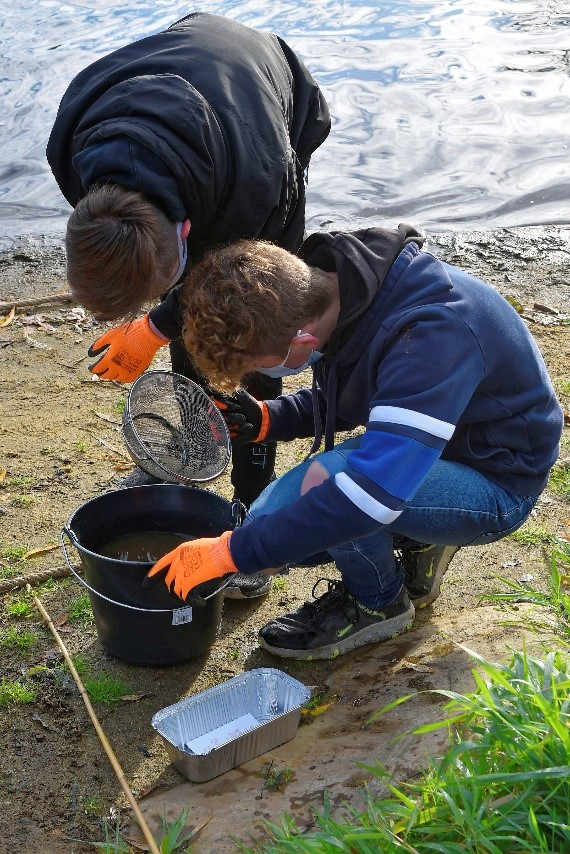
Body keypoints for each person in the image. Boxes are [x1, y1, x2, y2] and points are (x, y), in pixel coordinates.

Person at [144, 225, 564, 660]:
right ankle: (421, 541)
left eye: (263, 368)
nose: (266, 378)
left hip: (498, 479)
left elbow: (366, 497)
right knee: (276, 522)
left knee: (330, 490)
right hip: (439, 446)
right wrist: (272, 417)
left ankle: (378, 605)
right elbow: (370, 392)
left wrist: (230, 553)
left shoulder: (431, 336)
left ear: (303, 342)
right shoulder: (341, 288)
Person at [46, 12, 330, 597]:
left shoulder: (259, 180)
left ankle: (252, 514)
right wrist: (154, 318)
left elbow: (250, 301)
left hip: (270, 98)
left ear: (185, 229)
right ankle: (199, 452)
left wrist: (155, 326)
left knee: (248, 330)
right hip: (174, 85)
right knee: (193, 324)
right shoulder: (71, 147)